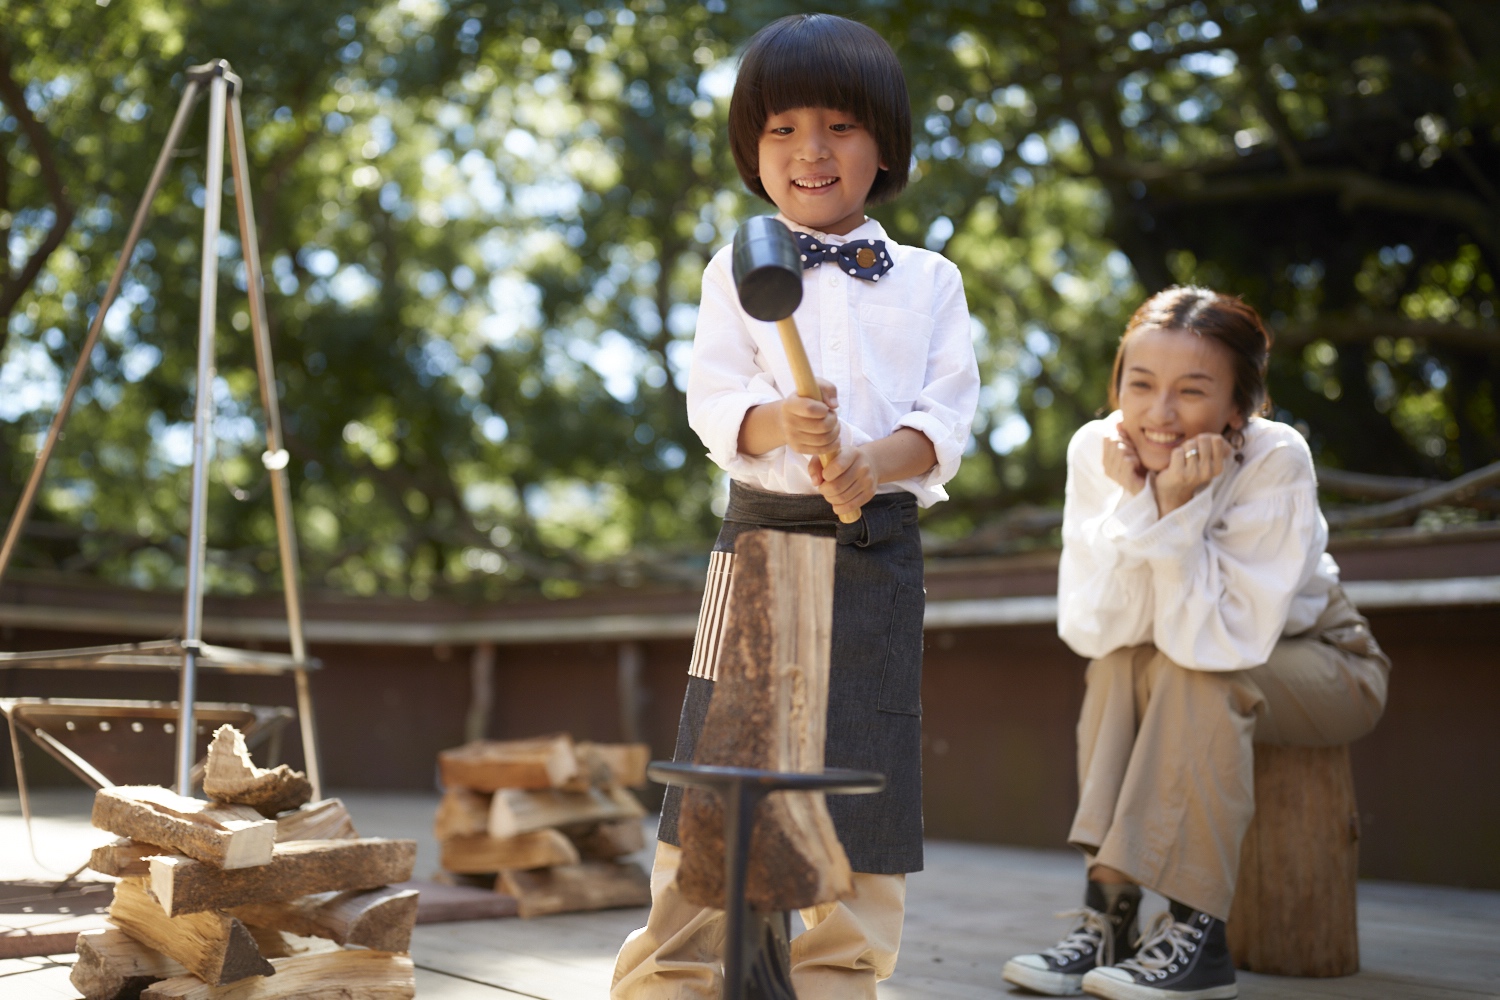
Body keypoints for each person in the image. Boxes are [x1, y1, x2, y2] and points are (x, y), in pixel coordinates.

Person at [611, 13, 979, 1000]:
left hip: (875, 543)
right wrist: (781, 423)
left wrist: (871, 459)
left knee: (865, 764)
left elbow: (946, 418)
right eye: (781, 128)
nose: (810, 150)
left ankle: (841, 973)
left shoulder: (931, 281)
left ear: (885, 146)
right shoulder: (735, 270)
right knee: (722, 766)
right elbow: (714, 399)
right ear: (751, 149)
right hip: (762, 539)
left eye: (838, 126)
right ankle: (678, 971)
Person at [1001, 286, 1390, 1000]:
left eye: (1192, 391)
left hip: (1330, 662)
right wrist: (1136, 503)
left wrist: (1175, 509)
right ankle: (1110, 917)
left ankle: (1196, 931)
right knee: (1121, 664)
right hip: (1186, 653)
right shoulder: (1099, 451)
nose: (1159, 413)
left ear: (1239, 408)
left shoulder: (1275, 459)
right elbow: (1095, 631)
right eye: (1140, 385)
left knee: (1200, 676)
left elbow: (1218, 644)